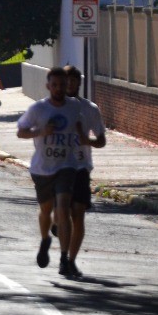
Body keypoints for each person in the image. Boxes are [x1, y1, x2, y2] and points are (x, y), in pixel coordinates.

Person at [16, 66, 91, 278]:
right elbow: (21, 132)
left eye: (62, 85)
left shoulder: (74, 107)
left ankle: (64, 259)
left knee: (64, 208)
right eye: (55, 85)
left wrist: (82, 137)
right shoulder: (38, 108)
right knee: (46, 210)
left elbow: (79, 126)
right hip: (42, 168)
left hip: (67, 165)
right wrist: (41, 131)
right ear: (48, 86)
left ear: (67, 86)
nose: (59, 88)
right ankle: (45, 239)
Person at [62, 65, 107, 275]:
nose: (70, 84)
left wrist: (87, 140)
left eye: (73, 80)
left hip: (80, 168)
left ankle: (70, 260)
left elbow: (101, 140)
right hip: (58, 168)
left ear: (79, 82)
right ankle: (63, 254)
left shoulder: (90, 108)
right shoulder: (52, 107)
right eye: (66, 80)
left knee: (78, 215)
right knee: (62, 214)